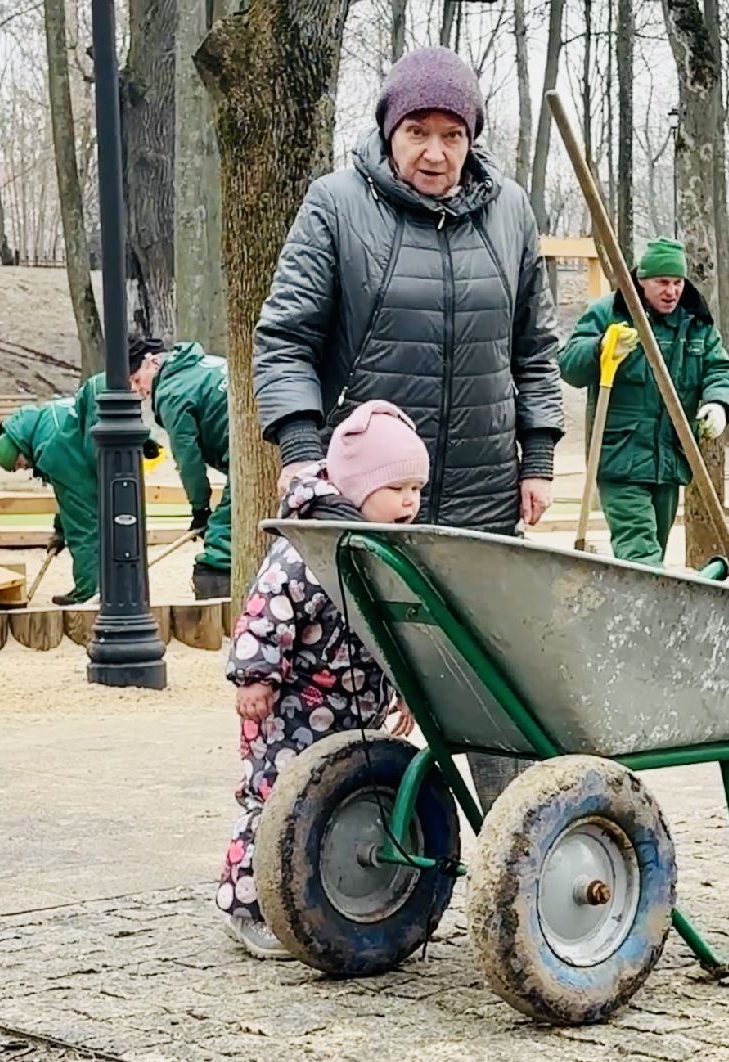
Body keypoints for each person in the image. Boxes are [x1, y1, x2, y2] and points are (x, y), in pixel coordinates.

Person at [252, 45, 562, 811]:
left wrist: (540, 454)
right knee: (346, 688)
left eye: (452, 134)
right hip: (367, 503)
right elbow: (285, 338)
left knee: (492, 688)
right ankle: (318, 858)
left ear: (472, 137)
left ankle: (516, 855)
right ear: (389, 131)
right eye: (417, 130)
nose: (434, 151)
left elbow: (533, 346)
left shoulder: (512, 212)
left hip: (483, 498)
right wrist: (298, 448)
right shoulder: (336, 205)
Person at [219, 401, 425, 960]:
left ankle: (313, 900)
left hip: (353, 710)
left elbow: (393, 629)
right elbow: (265, 613)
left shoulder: (382, 549)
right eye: (397, 489)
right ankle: (248, 905)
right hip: (290, 705)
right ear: (358, 488)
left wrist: (405, 685)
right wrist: (254, 676)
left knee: (330, 801)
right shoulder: (307, 549)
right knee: (275, 798)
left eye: (416, 489)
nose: (409, 501)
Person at [559, 237, 729, 565]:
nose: (671, 291)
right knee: (640, 552)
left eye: (677, 282)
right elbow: (569, 366)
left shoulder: (695, 324)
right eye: (662, 282)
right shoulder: (609, 313)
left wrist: (719, 402)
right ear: (641, 281)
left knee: (653, 550)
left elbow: (719, 368)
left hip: (671, 460)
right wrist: (601, 348)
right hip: (620, 458)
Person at [127, 336, 233, 599]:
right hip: (263, 438)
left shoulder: (172, 393)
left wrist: (201, 508)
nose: (138, 391)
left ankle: (216, 582)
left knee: (223, 530)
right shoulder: (204, 363)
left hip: (248, 448)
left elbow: (189, 460)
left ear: (152, 362)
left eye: (137, 380)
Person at [0, 397, 99, 605]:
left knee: (83, 532)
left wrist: (67, 531)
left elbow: (80, 511)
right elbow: (69, 494)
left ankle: (89, 592)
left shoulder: (50, 448)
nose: (25, 468)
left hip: (103, 461)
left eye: (20, 463)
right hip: (107, 455)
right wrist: (60, 529)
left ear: (20, 446)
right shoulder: (46, 419)